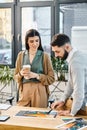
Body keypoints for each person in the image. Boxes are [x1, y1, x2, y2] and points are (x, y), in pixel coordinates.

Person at [14, 29, 55, 108]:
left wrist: (36, 75)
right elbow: (15, 77)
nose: (35, 44)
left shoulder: (45, 56)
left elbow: (51, 78)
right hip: (24, 90)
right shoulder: (21, 55)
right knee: (22, 115)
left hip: (39, 89)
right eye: (31, 41)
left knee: (39, 117)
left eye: (37, 40)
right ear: (27, 42)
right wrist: (20, 74)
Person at [51, 33, 87, 116]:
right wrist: (62, 99)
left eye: (57, 51)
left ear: (67, 47)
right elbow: (71, 83)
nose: (56, 55)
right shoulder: (75, 56)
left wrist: (71, 113)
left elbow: (79, 91)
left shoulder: (75, 62)